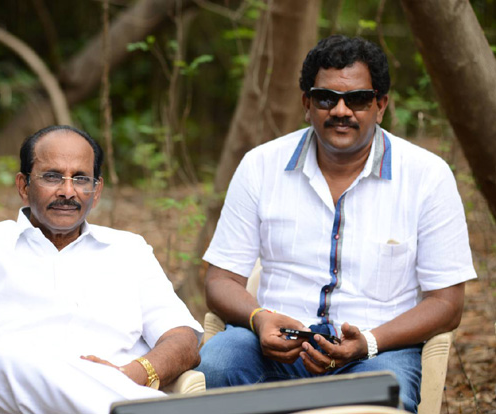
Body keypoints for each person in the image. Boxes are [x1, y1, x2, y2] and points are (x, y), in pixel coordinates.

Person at [195, 35, 476, 413]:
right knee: (216, 366)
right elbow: (221, 280)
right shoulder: (260, 165)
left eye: (357, 99)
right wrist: (259, 320)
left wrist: (369, 342)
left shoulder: (427, 176)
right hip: (274, 347)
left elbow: (447, 303)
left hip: (378, 352)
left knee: (378, 399)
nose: (341, 110)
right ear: (307, 104)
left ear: (380, 105)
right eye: (326, 98)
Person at [0, 125, 202, 414]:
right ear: (23, 185)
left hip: (118, 392)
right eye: (53, 177)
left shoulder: (130, 250)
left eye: (81, 179)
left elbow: (183, 339)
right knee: (6, 358)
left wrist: (130, 374)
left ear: (96, 191)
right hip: (10, 403)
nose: (68, 191)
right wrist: (40, 374)